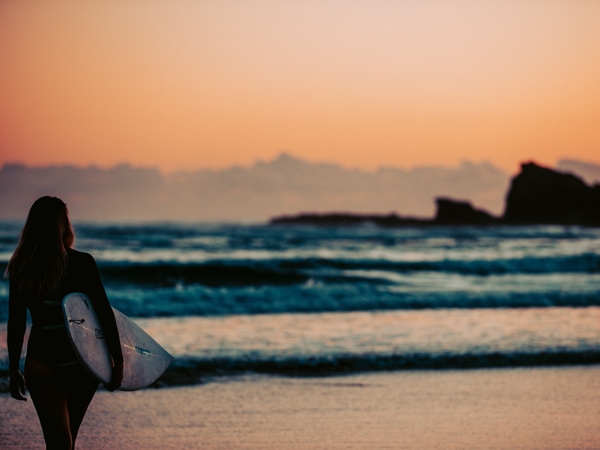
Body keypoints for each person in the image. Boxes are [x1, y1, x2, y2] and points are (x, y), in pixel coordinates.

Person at [6, 196, 123, 449]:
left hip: (45, 364)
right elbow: (103, 314)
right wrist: (118, 360)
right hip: (82, 364)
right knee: (62, 443)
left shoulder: (21, 266)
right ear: (63, 225)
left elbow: (17, 322)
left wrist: (14, 367)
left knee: (62, 442)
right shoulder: (81, 262)